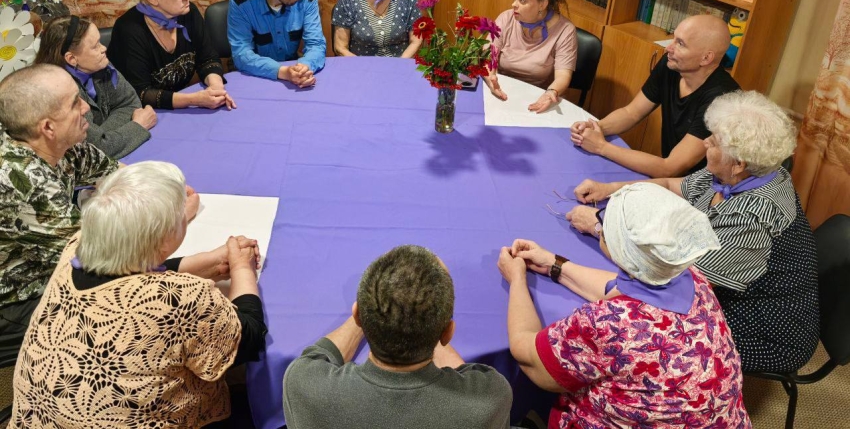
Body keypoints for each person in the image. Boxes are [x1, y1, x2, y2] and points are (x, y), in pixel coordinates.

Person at [569, 90, 819, 373]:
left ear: (738, 164)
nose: (705, 142)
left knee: (635, 328)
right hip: (716, 287)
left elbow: (675, 283)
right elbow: (669, 186)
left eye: (712, 142)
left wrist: (600, 225)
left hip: (764, 328)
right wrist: (609, 190)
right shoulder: (737, 172)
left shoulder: (752, 217)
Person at [10, 161, 266, 428]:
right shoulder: (181, 297)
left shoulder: (77, 248)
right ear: (166, 236)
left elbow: (124, 274)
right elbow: (249, 337)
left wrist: (202, 263)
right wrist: (241, 267)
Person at [498, 183, 752, 429]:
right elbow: (619, 288)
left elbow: (530, 358)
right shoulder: (694, 279)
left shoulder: (607, 323)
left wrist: (517, 278)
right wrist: (555, 264)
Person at [283, 245, 512, 429]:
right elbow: (464, 375)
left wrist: (377, 308)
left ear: (357, 316)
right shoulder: (489, 398)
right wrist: (425, 319)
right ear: (448, 333)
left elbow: (320, 354)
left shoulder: (303, 384)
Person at [0, 64, 120, 364]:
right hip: (15, 299)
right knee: (118, 315)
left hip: (47, 265)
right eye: (75, 104)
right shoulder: (24, 180)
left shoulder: (63, 145)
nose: (86, 109)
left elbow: (116, 175)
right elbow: (95, 255)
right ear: (47, 127)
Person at [571, 14, 739, 176]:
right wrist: (596, 128)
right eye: (673, 38)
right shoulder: (671, 64)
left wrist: (601, 147)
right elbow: (632, 113)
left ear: (706, 58)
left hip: (699, 190)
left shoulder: (722, 100)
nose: (668, 48)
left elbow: (671, 167)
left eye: (680, 43)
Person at [108, 0, 234, 111]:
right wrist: (194, 99)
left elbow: (207, 58)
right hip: (143, 113)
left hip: (180, 107)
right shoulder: (129, 30)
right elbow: (141, 93)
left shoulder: (189, 12)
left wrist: (216, 89)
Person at [35, 15, 157, 158]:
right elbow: (95, 152)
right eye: (95, 46)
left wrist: (102, 136)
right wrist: (138, 126)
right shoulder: (62, 91)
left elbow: (129, 103)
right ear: (71, 59)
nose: (103, 48)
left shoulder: (98, 64)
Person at [486, 0, 577, 114]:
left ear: (542, 4)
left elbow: (563, 76)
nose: (514, 4)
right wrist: (491, 77)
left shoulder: (565, 30)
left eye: (522, 0)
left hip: (536, 100)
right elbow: (488, 55)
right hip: (500, 92)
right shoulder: (506, 18)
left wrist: (551, 92)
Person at [228, 0, 326, 87]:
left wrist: (304, 67)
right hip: (256, 78)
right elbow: (242, 55)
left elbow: (316, 44)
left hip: (295, 74)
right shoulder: (242, 3)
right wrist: (282, 71)